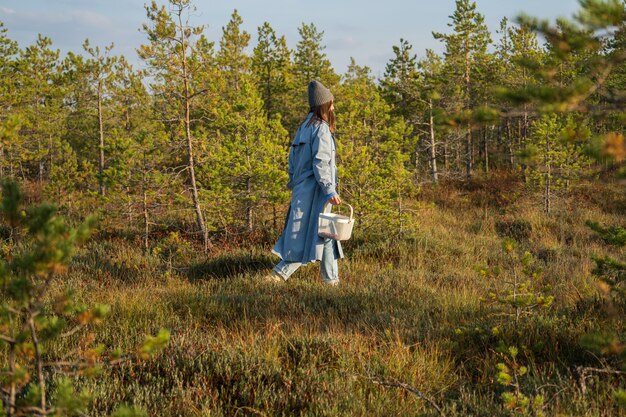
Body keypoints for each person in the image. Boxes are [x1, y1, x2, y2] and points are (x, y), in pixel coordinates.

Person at [266, 80, 344, 285]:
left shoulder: (304, 127)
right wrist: (329, 191)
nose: (334, 107)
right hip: (315, 193)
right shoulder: (321, 129)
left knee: (325, 232)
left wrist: (296, 183)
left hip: (303, 190)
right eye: (331, 103)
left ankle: (331, 282)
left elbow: (291, 161)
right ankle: (276, 276)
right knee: (305, 236)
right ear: (324, 105)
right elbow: (321, 163)